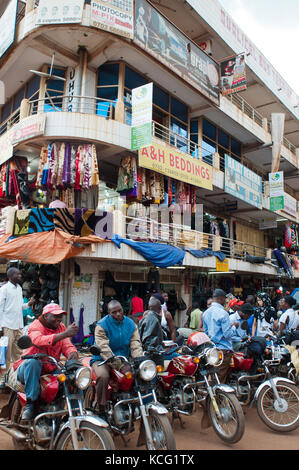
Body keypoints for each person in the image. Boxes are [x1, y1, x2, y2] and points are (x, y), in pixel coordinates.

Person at [13, 303, 79, 420]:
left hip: (50, 367)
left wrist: (72, 353)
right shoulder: (36, 325)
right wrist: (65, 334)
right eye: (55, 316)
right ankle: (31, 404)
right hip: (28, 368)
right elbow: (38, 340)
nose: (58, 319)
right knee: (34, 362)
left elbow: (66, 344)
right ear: (46, 316)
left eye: (60, 316)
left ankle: (74, 413)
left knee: (73, 377)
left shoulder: (61, 327)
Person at [90, 300, 143, 418]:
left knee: (139, 373)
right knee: (103, 376)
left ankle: (135, 403)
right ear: (109, 313)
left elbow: (135, 343)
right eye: (114, 312)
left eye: (119, 311)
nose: (118, 314)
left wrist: (139, 358)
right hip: (102, 359)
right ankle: (101, 408)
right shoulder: (102, 325)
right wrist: (118, 365)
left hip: (124, 358)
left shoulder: (130, 324)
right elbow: (103, 347)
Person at [0, 268, 35, 387]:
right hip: (7, 325)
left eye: (20, 273)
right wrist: (0, 328)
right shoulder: (4, 289)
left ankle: (16, 377)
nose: (19, 275)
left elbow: (20, 307)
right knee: (6, 354)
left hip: (18, 326)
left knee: (19, 353)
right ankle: (2, 379)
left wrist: (28, 304)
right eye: (17, 274)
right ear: (10, 276)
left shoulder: (19, 289)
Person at [202, 289, 236, 383]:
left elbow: (206, 332)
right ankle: (218, 396)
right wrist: (234, 328)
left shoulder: (205, 313)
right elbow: (227, 334)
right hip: (223, 350)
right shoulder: (223, 313)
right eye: (225, 299)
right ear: (221, 299)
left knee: (213, 375)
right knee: (220, 378)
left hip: (211, 350)